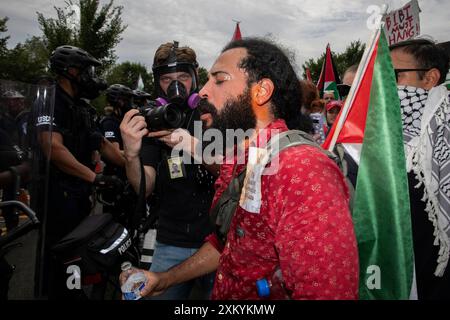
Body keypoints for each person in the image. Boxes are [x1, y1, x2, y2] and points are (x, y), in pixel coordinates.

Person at [129, 38, 359, 300]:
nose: (202, 92)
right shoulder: (246, 158)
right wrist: (165, 279)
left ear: (261, 92)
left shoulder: (301, 170)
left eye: (219, 79)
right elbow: (231, 243)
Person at [120, 41, 217, 299]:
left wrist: (191, 145)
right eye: (167, 79)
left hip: (218, 240)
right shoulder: (154, 119)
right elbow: (145, 185)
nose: (177, 86)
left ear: (196, 76)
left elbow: (233, 170)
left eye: (184, 77)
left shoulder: (213, 115)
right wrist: (130, 154)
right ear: (157, 83)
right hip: (171, 240)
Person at [35, 45, 125, 298]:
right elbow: (51, 146)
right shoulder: (51, 100)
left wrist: (134, 166)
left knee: (76, 255)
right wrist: (95, 178)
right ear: (71, 71)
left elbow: (103, 145)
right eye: (88, 71)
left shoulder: (82, 107)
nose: (91, 77)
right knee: (55, 260)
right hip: (55, 196)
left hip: (78, 197)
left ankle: (71, 293)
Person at [390, 38, 450, 299]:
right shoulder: (381, 137)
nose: (385, 86)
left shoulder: (443, 134)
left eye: (395, 76)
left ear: (430, 78)